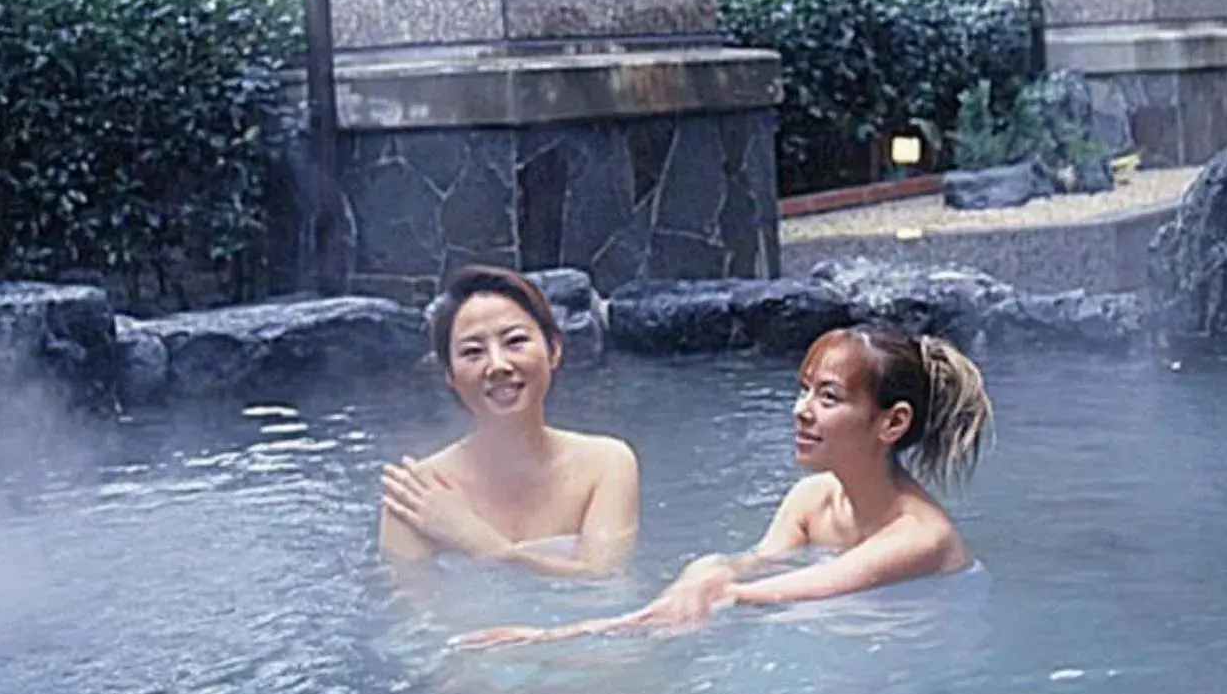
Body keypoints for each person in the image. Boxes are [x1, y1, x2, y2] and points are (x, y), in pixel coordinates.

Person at [453, 323, 990, 646]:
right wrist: (710, 567)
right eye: (803, 391)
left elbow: (762, 594)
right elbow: (753, 566)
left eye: (828, 398)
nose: (801, 411)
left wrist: (558, 637)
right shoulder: (813, 499)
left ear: (891, 423)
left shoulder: (920, 536)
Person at [380, 266, 638, 578]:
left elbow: (606, 587)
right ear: (450, 375)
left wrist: (485, 546)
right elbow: (413, 619)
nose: (498, 365)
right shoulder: (419, 495)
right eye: (473, 352)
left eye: (514, 341)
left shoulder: (606, 464)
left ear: (554, 350)